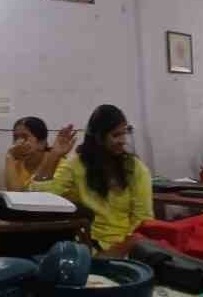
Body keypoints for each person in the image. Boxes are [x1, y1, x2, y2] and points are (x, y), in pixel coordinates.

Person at [30, 105, 153, 254]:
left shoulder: (135, 168)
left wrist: (120, 250)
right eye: (115, 135)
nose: (122, 140)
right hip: (85, 244)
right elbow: (41, 199)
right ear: (98, 137)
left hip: (125, 248)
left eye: (124, 133)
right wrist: (54, 156)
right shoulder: (77, 164)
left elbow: (143, 220)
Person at [5, 117, 49, 191]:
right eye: (15, 138)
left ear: (41, 143)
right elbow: (14, 195)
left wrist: (10, 156)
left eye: (25, 137)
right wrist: (9, 156)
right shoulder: (14, 164)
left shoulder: (55, 163)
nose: (18, 143)